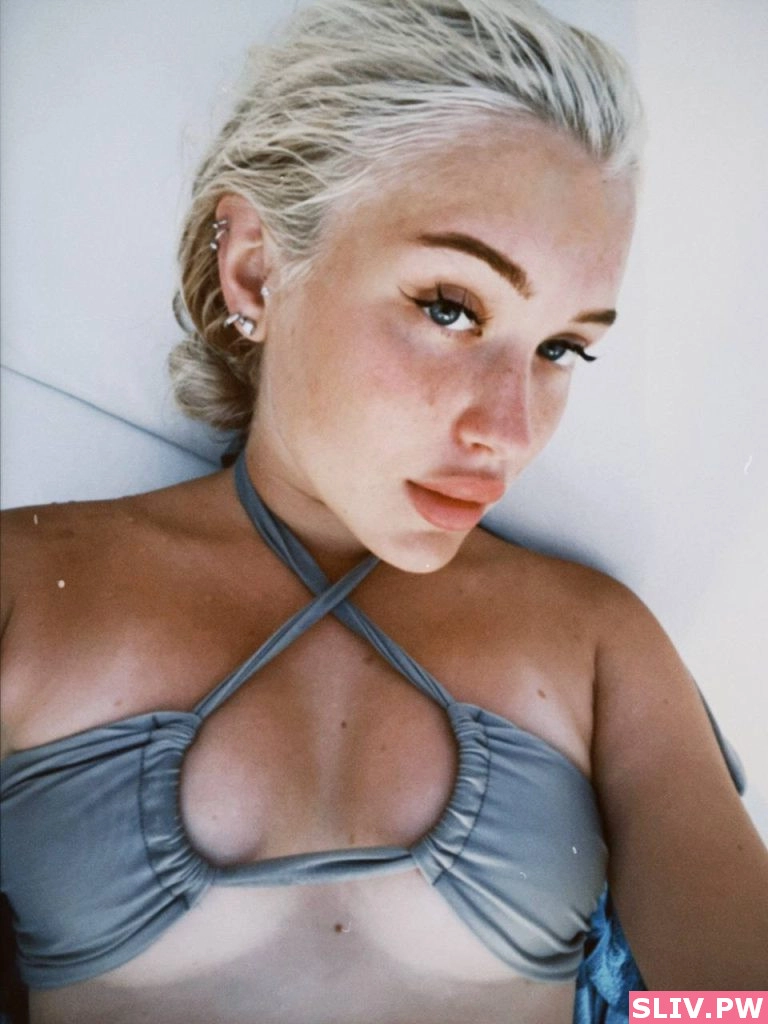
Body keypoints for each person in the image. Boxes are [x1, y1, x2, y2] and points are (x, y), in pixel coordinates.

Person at [1, 0, 767, 1022]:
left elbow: (740, 1006)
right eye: (450, 309)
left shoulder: (596, 643)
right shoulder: (23, 593)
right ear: (255, 267)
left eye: (561, 349)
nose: (510, 429)